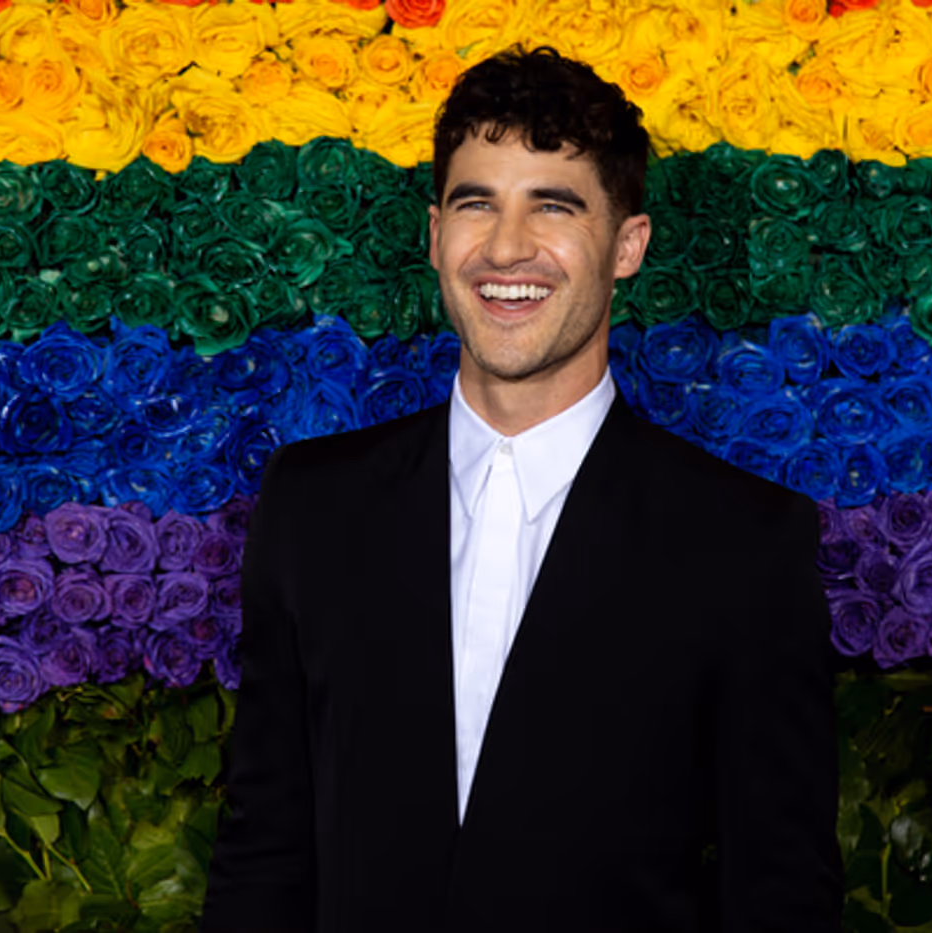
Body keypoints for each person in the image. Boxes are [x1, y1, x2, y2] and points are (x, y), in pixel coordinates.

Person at [202, 46, 841, 933]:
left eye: (553, 205)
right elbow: (264, 853)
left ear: (627, 245)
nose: (506, 247)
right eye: (477, 204)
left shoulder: (742, 543)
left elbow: (779, 893)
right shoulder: (313, 506)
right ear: (434, 235)